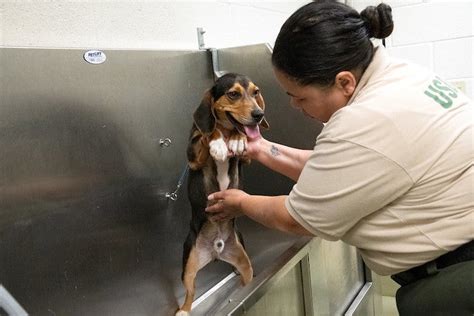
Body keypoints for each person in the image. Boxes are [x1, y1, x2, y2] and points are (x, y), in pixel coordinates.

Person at [205, 1, 473, 315]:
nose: (294, 106)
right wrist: (263, 149)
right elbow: (339, 169)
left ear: (344, 82)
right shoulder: (402, 77)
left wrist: (239, 201)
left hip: (457, 279)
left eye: (300, 96)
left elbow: (296, 218)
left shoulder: (364, 119)